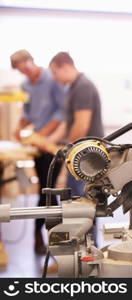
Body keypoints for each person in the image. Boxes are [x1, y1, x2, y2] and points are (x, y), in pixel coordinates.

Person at [10, 49, 65, 255]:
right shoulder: (26, 85)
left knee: (49, 192)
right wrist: (19, 126)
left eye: (26, 68)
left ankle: (46, 237)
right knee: (46, 190)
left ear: (31, 61)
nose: (25, 73)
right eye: (20, 71)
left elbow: (61, 112)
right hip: (38, 144)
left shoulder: (52, 79)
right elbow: (28, 113)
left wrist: (43, 135)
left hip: (53, 143)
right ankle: (48, 239)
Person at [48, 52, 104, 197]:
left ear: (65, 67)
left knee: (82, 206)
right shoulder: (73, 87)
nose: (54, 78)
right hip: (80, 155)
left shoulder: (83, 87)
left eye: (55, 73)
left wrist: (67, 152)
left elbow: (81, 125)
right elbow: (68, 122)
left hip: (86, 158)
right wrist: (50, 141)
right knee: (76, 203)